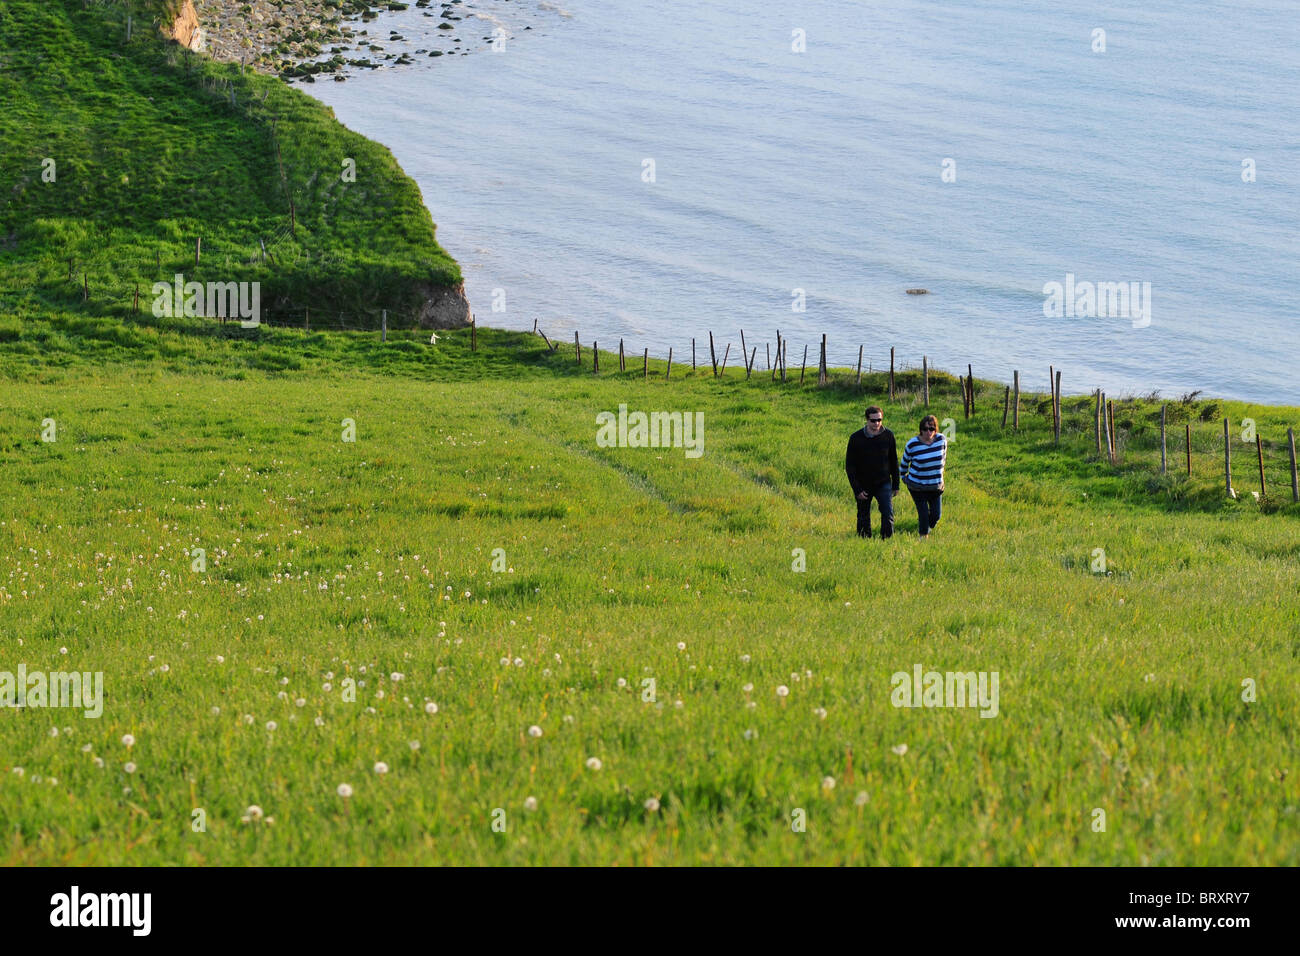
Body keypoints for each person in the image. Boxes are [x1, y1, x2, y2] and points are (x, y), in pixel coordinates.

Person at [845, 406, 899, 538]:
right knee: (863, 516)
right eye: (873, 421)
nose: (876, 424)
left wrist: (896, 485)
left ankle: (886, 541)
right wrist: (857, 489)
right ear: (866, 420)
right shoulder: (856, 438)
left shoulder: (888, 436)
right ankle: (864, 541)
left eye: (879, 420)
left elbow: (894, 461)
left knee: (888, 513)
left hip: (884, 483)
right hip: (863, 484)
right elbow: (850, 466)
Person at [900, 414, 947, 537]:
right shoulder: (912, 444)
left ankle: (927, 528)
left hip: (935, 486)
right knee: (923, 513)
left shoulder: (942, 440)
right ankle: (923, 537)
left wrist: (940, 475)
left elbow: (943, 459)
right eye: (925, 429)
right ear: (920, 430)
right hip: (917, 486)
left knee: (936, 515)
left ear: (936, 429)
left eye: (931, 429)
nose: (928, 432)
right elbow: (904, 464)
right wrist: (903, 477)